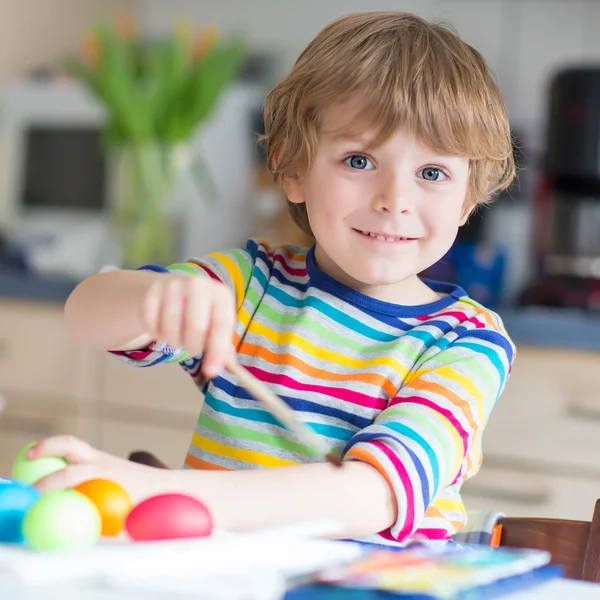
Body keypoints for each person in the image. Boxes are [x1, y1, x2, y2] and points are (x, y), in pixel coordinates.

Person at [29, 11, 516, 546]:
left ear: (472, 195)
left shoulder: (468, 342)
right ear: (291, 169)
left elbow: (369, 498)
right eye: (358, 160)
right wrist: (153, 298)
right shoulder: (254, 286)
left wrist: (154, 490)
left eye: (432, 173)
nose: (394, 201)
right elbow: (85, 315)